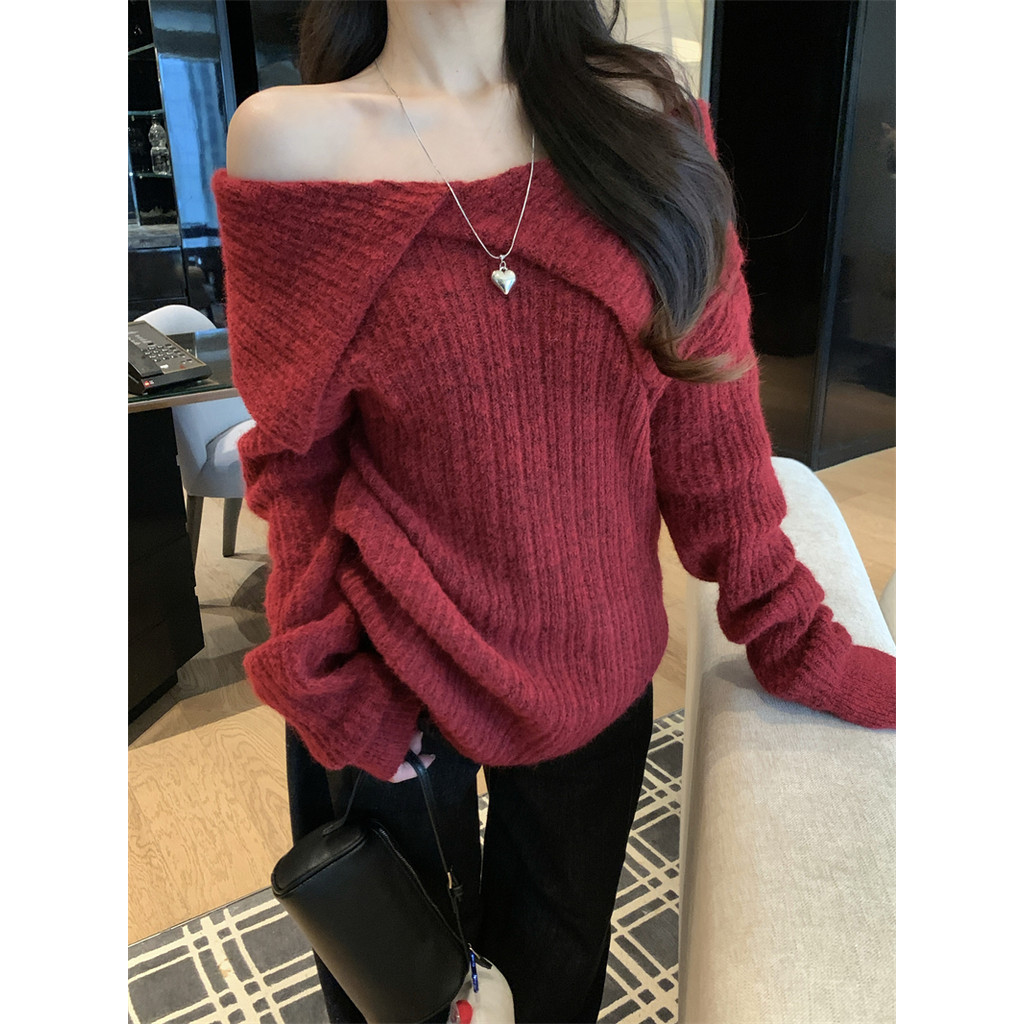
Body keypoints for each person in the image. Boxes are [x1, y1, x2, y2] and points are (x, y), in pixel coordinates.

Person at [212, 1, 896, 1021]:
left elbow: (713, 430)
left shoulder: (641, 118)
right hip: (386, 676)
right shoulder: (288, 142)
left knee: (554, 988)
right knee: (404, 1002)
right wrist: (324, 671)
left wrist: (795, 634)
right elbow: (297, 459)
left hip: (595, 671)